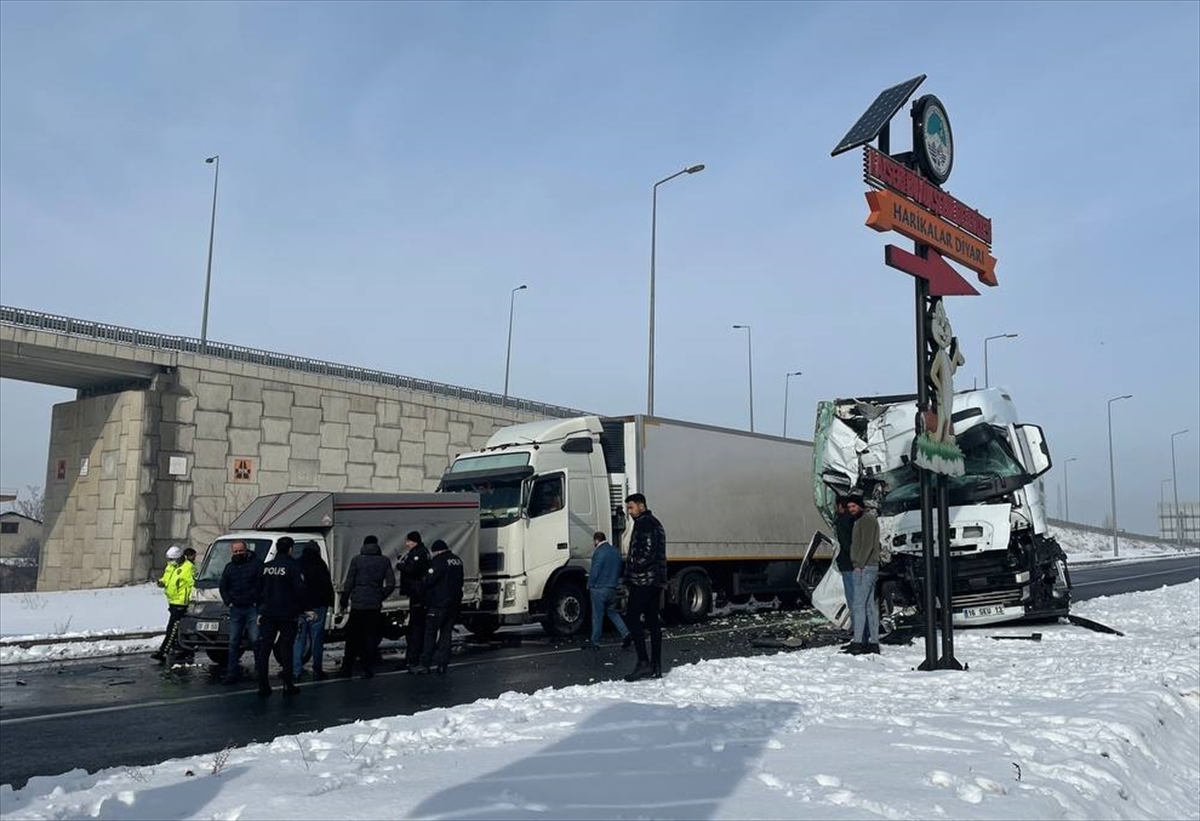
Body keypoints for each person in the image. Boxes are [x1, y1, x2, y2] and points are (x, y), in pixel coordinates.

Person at [622, 493, 667, 682]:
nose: (629, 512)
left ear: (641, 505)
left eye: (631, 507)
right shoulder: (654, 522)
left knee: (631, 617)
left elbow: (647, 553)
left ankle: (643, 662)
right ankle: (656, 665)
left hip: (644, 580)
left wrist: (631, 566)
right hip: (655, 580)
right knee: (652, 621)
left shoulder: (644, 523)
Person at [338, 534, 396, 679]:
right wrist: (380, 595)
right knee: (370, 637)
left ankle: (346, 669)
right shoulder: (384, 561)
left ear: (364, 545)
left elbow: (349, 582)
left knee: (352, 638)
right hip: (374, 605)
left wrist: (344, 600)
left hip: (358, 604)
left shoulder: (357, 560)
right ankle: (367, 668)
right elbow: (391, 584)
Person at [255, 536, 305, 696]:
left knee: (264, 649)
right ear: (290, 549)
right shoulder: (292, 567)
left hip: (268, 613)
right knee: (286, 648)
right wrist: (304, 609)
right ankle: (287, 685)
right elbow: (299, 590)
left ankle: (263, 685)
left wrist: (259, 610)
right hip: (287, 614)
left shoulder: (266, 567)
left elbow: (258, 590)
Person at [412, 539, 463, 675]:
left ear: (438, 551)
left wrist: (419, 587)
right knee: (446, 635)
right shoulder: (457, 560)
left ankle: (425, 664)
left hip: (438, 604)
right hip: (453, 604)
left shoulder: (438, 561)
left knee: (430, 635)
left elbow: (429, 580)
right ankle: (442, 664)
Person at [219, 539, 261, 684]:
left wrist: (258, 600)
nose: (238, 553)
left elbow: (262, 584)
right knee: (233, 642)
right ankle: (232, 673)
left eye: (240, 551)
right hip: (236, 608)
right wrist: (228, 600)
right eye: (235, 551)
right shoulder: (229, 567)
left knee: (255, 640)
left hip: (252, 607)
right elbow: (223, 586)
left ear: (246, 550)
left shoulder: (256, 564)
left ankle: (259, 670)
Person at [845, 492, 882, 656]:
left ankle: (858, 642)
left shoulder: (866, 520)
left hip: (865, 567)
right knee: (868, 606)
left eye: (853, 506)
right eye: (849, 507)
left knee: (859, 605)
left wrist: (859, 565)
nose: (851, 509)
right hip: (869, 566)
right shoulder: (863, 520)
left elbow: (866, 544)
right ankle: (873, 642)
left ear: (860, 505)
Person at [294, 542, 334, 681]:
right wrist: (330, 603)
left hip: (301, 607)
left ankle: (296, 669)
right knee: (317, 639)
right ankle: (317, 669)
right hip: (318, 606)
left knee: (299, 639)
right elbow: (327, 585)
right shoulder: (320, 564)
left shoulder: (297, 563)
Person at [583, 531, 630, 651]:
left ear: (596, 540)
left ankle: (595, 642)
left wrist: (589, 584)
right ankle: (626, 633)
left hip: (599, 589)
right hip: (612, 588)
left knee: (597, 615)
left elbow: (595, 571)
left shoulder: (598, 552)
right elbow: (620, 568)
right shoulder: (615, 551)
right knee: (612, 612)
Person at [396, 530, 432, 670]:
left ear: (414, 541)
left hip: (418, 594)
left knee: (416, 628)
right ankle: (414, 657)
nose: (406, 543)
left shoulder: (419, 553)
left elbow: (411, 569)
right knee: (416, 627)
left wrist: (400, 566)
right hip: (418, 593)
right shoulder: (420, 552)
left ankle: (413, 659)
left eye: (408, 541)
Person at [152, 545, 194, 662]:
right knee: (179, 628)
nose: (170, 562)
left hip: (181, 602)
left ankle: (163, 650)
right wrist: (161, 582)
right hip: (172, 601)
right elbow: (167, 578)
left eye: (172, 559)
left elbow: (192, 584)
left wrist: (188, 599)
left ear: (179, 558)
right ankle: (183, 649)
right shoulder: (170, 567)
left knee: (172, 628)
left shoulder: (189, 567)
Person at [834, 497, 857, 646]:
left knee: (852, 598)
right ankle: (859, 627)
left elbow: (845, 544)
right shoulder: (855, 520)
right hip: (855, 564)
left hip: (848, 565)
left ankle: (856, 628)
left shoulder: (842, 522)